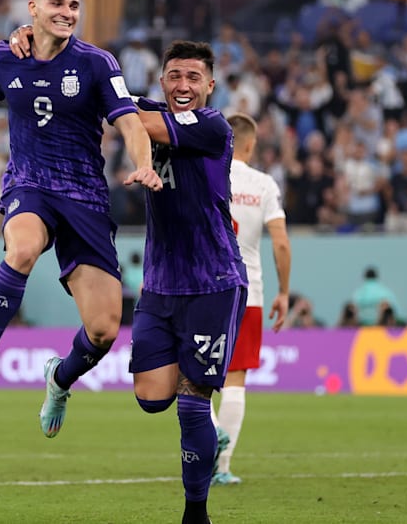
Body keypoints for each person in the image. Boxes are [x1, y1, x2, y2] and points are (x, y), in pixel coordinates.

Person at [13, 30, 248, 522]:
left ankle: (195, 513)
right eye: (175, 76)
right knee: (150, 398)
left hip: (213, 281)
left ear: (210, 84)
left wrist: (103, 99)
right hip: (160, 285)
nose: (184, 83)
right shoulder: (145, 107)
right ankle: (59, 376)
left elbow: (128, 116)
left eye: (194, 77)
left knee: (191, 401)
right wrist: (40, 51)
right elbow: (108, 102)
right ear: (162, 79)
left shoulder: (212, 126)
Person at [0, 0, 161, 440]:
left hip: (84, 196)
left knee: (105, 330)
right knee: (22, 249)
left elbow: (128, 120)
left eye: (73, 5)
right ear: (33, 8)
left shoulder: (96, 63)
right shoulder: (8, 54)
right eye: (57, 3)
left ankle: (59, 379)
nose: (67, 12)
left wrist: (143, 165)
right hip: (29, 183)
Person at [210, 113, 291, 486]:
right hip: (249, 290)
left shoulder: (206, 172)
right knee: (235, 378)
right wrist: (285, 292)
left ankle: (210, 435)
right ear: (251, 144)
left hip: (202, 286)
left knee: (184, 373)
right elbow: (281, 242)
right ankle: (222, 467)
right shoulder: (263, 184)